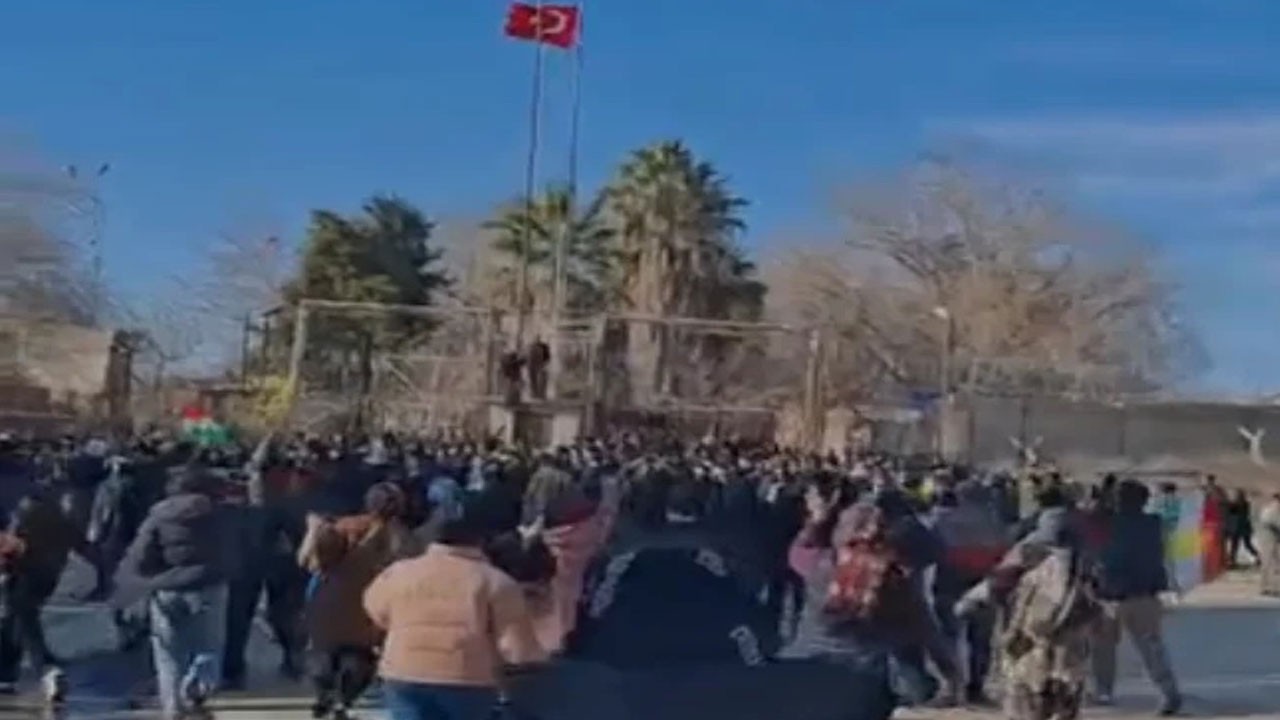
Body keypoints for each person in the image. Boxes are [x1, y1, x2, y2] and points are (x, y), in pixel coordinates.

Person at [363, 489, 546, 720]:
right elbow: (516, 647)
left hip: (402, 670)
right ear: (481, 537)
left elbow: (374, 608)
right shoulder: (495, 582)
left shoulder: (400, 572)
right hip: (466, 678)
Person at [955, 507, 1102, 720]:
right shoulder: (1086, 562)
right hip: (1069, 651)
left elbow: (995, 584)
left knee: (1025, 702)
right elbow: (1098, 602)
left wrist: (968, 602)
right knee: (1064, 704)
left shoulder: (1029, 553)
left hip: (1028, 645)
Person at [114, 464, 233, 720]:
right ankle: (198, 683)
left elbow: (140, 555)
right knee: (209, 646)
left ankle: (172, 708)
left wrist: (141, 581)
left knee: (167, 653)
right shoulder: (221, 513)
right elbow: (237, 547)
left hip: (166, 589)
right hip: (208, 585)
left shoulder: (158, 516)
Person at [298, 482, 419, 720]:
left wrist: (314, 530)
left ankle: (329, 697)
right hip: (369, 613)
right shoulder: (404, 538)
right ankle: (341, 701)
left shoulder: (345, 526)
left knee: (326, 656)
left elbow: (310, 562)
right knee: (358, 661)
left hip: (329, 606)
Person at [1092, 480, 1182, 716]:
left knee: (1103, 647)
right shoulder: (1153, 524)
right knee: (1152, 646)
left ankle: (1104, 690)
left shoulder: (1105, 523)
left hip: (1110, 595)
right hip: (1146, 593)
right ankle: (1168, 691)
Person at [1223, 489, 1260, 568]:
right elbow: (1230, 511)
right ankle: (1232, 560)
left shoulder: (1238, 505)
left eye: (1239, 496)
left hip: (1240, 528)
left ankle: (1232, 560)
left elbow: (1230, 511)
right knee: (1241, 544)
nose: (1239, 497)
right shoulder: (1243, 504)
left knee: (1239, 544)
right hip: (1242, 528)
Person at [1259, 493, 1280, 597]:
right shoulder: (1270, 509)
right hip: (1268, 538)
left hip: (1274, 539)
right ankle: (1265, 587)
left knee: (1275, 564)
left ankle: (1274, 588)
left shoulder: (1273, 509)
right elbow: (1268, 523)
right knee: (1267, 563)